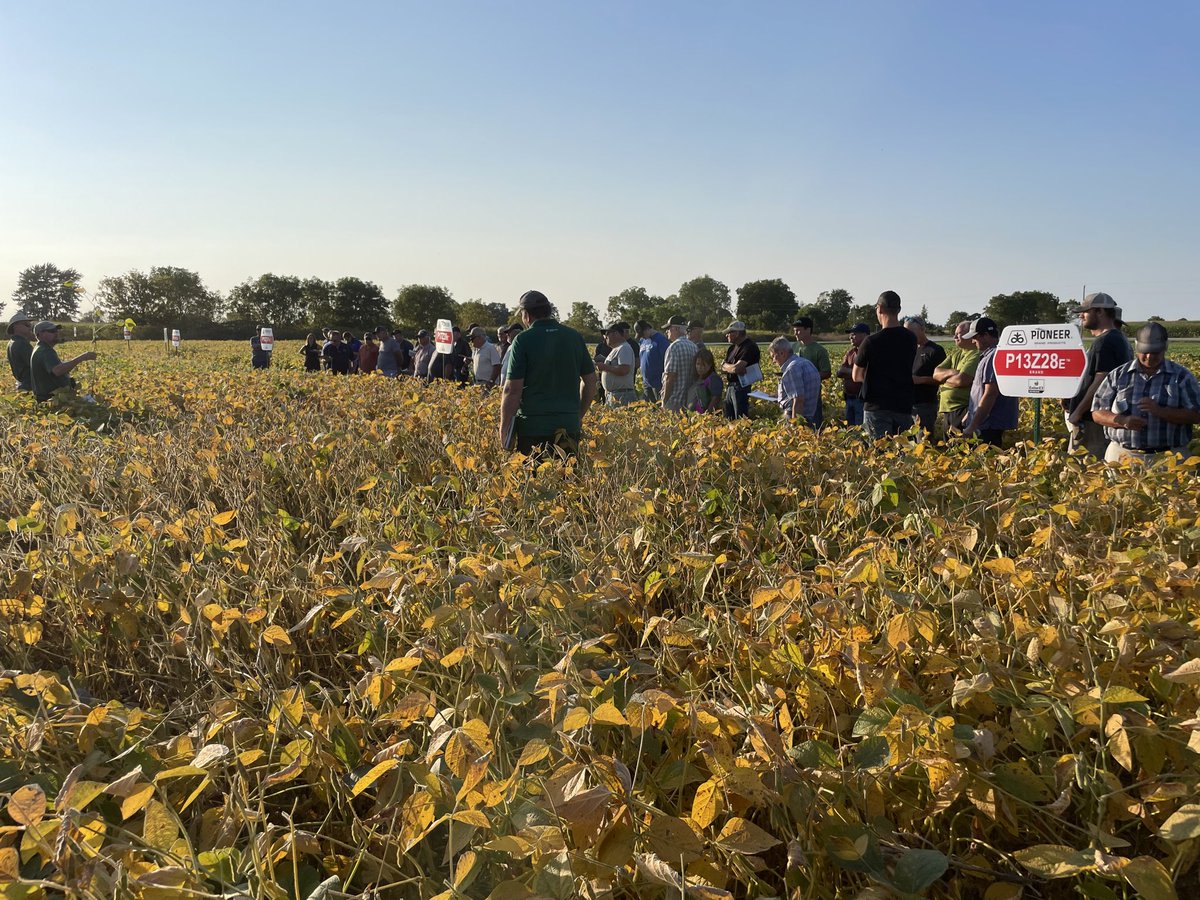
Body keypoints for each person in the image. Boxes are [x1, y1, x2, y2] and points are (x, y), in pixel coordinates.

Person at [499, 290, 597, 457]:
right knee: (568, 479)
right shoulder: (574, 337)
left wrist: (504, 428)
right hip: (569, 425)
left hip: (533, 427)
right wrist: (578, 414)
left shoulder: (523, 340)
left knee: (536, 480)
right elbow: (590, 381)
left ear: (527, 315)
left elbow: (512, 390)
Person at [1091, 322, 1200, 464]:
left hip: (1169, 457)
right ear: (1137, 347)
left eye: (1155, 352)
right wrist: (1123, 421)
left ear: (1165, 347)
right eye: (1145, 351)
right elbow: (1097, 412)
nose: (1149, 357)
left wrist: (1160, 411)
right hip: (1122, 455)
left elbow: (1196, 415)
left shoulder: (1182, 377)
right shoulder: (1118, 375)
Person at [1063, 292, 1133, 459]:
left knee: (1084, 469)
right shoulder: (1118, 339)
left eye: (1086, 311)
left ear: (1100, 312)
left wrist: (1078, 412)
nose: (1081, 316)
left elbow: (1101, 381)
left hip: (1092, 420)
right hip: (1102, 417)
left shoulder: (1105, 342)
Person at [853, 291, 919, 439]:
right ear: (899, 310)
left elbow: (857, 375)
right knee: (904, 455)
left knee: (879, 455)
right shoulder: (911, 338)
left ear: (880, 308)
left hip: (877, 407)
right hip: (903, 405)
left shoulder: (871, 341)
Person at [962, 317, 1019, 446]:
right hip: (985, 421)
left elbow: (990, 393)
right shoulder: (990, 355)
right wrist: (970, 414)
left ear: (986, 335)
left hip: (988, 423)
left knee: (987, 460)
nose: (973, 341)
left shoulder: (994, 356)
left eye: (975, 337)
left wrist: (973, 425)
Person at [932, 320, 981, 436]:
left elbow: (962, 380)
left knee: (960, 446)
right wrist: (953, 372)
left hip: (962, 410)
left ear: (969, 334)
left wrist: (944, 380)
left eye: (958, 334)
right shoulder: (956, 354)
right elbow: (935, 374)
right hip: (948, 411)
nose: (954, 337)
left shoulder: (975, 354)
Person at [29, 321, 97, 402]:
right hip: (52, 400)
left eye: (56, 330)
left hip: (55, 398)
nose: (56, 333)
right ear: (40, 334)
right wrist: (82, 357)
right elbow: (57, 370)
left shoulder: (42, 348)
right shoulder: (44, 351)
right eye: (52, 331)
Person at [904, 316, 947, 434]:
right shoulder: (908, 350)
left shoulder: (935, 350)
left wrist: (920, 380)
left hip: (925, 405)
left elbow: (943, 379)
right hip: (908, 405)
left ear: (922, 329)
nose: (908, 335)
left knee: (923, 441)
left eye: (911, 331)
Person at [769, 336, 821, 426]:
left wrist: (795, 427)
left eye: (773, 356)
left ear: (782, 353)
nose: (773, 361)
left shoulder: (792, 368)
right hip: (811, 415)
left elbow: (799, 400)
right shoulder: (805, 362)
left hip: (797, 417)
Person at [790, 316, 831, 427]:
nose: (796, 333)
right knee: (795, 425)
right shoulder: (792, 348)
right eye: (794, 331)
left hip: (812, 394)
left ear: (808, 330)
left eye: (798, 330)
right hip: (795, 394)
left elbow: (827, 372)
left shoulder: (819, 350)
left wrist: (808, 376)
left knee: (813, 425)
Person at [721, 320, 761, 420]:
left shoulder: (749, 347)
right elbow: (724, 368)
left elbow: (737, 368)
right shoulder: (732, 348)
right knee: (729, 419)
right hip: (730, 387)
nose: (727, 335)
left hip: (741, 387)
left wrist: (728, 366)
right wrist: (730, 367)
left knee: (740, 420)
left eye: (729, 333)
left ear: (737, 333)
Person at [660, 316, 698, 413]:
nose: (667, 331)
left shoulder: (673, 347)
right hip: (689, 399)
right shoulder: (694, 346)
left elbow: (670, 377)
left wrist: (664, 400)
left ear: (676, 329)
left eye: (669, 328)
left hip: (675, 400)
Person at [596, 323, 638, 406]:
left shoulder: (624, 348)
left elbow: (624, 370)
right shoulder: (617, 349)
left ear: (616, 333)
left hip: (621, 395)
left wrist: (604, 367)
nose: (605, 336)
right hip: (614, 394)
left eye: (607, 333)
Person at [837, 324, 868, 425]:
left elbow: (866, 374)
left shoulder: (869, 351)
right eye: (850, 334)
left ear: (864, 335)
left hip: (861, 399)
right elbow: (839, 371)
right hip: (849, 398)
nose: (850, 337)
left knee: (861, 430)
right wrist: (855, 373)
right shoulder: (851, 353)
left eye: (854, 334)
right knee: (850, 430)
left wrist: (849, 371)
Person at [636, 320, 669, 402]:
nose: (642, 337)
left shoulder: (661, 340)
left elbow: (667, 360)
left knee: (658, 409)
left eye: (642, 334)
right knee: (649, 410)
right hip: (646, 383)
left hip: (658, 383)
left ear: (647, 329)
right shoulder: (642, 341)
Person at [7, 310, 36, 392]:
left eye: (30, 325)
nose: (30, 327)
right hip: (30, 385)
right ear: (15, 326)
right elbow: (37, 365)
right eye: (27, 325)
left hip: (23, 384)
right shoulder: (21, 344)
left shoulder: (12, 342)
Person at [689, 348, 723, 413]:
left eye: (703, 364)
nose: (699, 367)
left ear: (710, 365)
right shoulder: (697, 378)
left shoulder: (713, 379)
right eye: (698, 364)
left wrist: (706, 416)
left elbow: (715, 399)